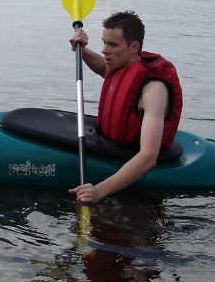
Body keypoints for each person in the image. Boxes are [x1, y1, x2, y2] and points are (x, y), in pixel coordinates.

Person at [68, 11, 183, 203]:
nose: (104, 50)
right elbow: (104, 69)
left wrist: (98, 191)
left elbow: (148, 156)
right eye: (104, 42)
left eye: (112, 44)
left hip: (139, 159)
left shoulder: (153, 91)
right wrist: (81, 49)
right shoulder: (124, 66)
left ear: (134, 47)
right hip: (113, 143)